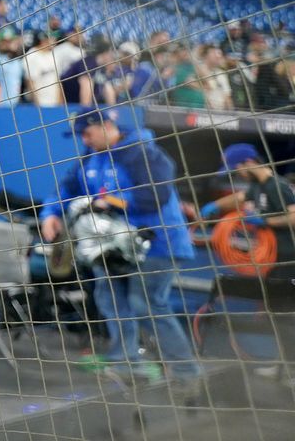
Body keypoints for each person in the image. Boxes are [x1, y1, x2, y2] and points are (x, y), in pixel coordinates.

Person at [38, 107, 203, 392]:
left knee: (147, 305)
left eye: (87, 133)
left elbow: (156, 196)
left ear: (105, 126)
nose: (84, 140)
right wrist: (50, 213)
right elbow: (65, 188)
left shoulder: (142, 153)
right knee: (110, 298)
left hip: (157, 246)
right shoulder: (90, 158)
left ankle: (187, 373)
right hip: (113, 248)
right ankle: (126, 362)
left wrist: (110, 202)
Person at [201, 144, 295, 231]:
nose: (237, 174)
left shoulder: (276, 185)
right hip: (268, 245)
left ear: (249, 162)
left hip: (286, 247)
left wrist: (266, 221)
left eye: (237, 169)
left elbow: (293, 217)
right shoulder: (257, 184)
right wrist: (216, 205)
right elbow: (240, 197)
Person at [22, 31, 64, 108]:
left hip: (54, 102)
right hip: (38, 103)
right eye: (51, 39)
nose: (54, 41)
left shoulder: (53, 55)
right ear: (43, 41)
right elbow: (30, 81)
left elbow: (57, 81)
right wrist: (37, 103)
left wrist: (60, 101)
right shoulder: (32, 55)